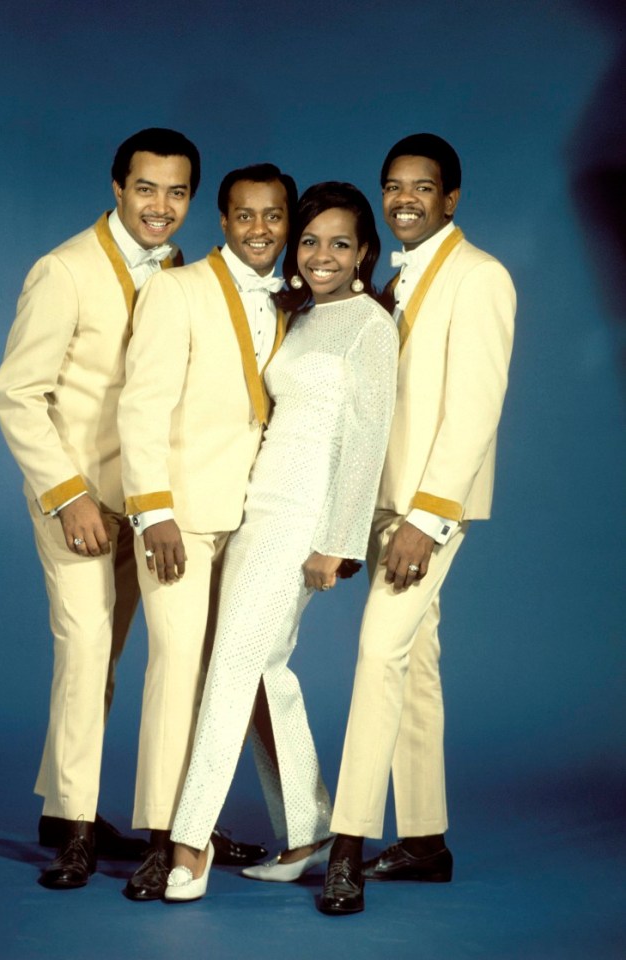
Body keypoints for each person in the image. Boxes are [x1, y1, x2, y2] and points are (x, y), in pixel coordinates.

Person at [162, 182, 399, 903]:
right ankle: (309, 826)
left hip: (302, 522)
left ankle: (188, 841)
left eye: (340, 243)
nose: (322, 255)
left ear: (364, 253)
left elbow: (366, 442)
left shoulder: (369, 325)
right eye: (310, 241)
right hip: (253, 511)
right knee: (260, 669)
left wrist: (337, 542)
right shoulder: (298, 318)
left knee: (232, 668)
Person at [0, 127, 199, 889]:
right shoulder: (64, 270)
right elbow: (17, 393)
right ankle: (75, 832)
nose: (161, 206)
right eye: (146, 188)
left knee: (112, 661)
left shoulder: (184, 272)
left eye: (177, 192)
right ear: (117, 188)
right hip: (75, 499)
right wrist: (68, 494)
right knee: (84, 654)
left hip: (149, 504)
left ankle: (65, 805)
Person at [321, 134, 516, 915]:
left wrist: (427, 520)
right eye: (393, 186)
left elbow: (475, 410)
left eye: (422, 188)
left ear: (452, 198)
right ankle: (427, 841)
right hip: (378, 501)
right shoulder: (386, 282)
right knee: (415, 663)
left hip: (427, 511)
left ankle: (345, 847)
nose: (405, 199)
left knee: (377, 653)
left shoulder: (481, 278)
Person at [117, 163, 298, 901]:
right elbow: (141, 405)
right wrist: (152, 510)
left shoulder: (298, 301)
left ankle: (217, 824)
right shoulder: (177, 289)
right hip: (181, 517)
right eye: (245, 215)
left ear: (289, 223)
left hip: (257, 521)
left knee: (242, 676)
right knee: (179, 667)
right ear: (222, 222)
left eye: (274, 216)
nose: (260, 229)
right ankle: (164, 840)